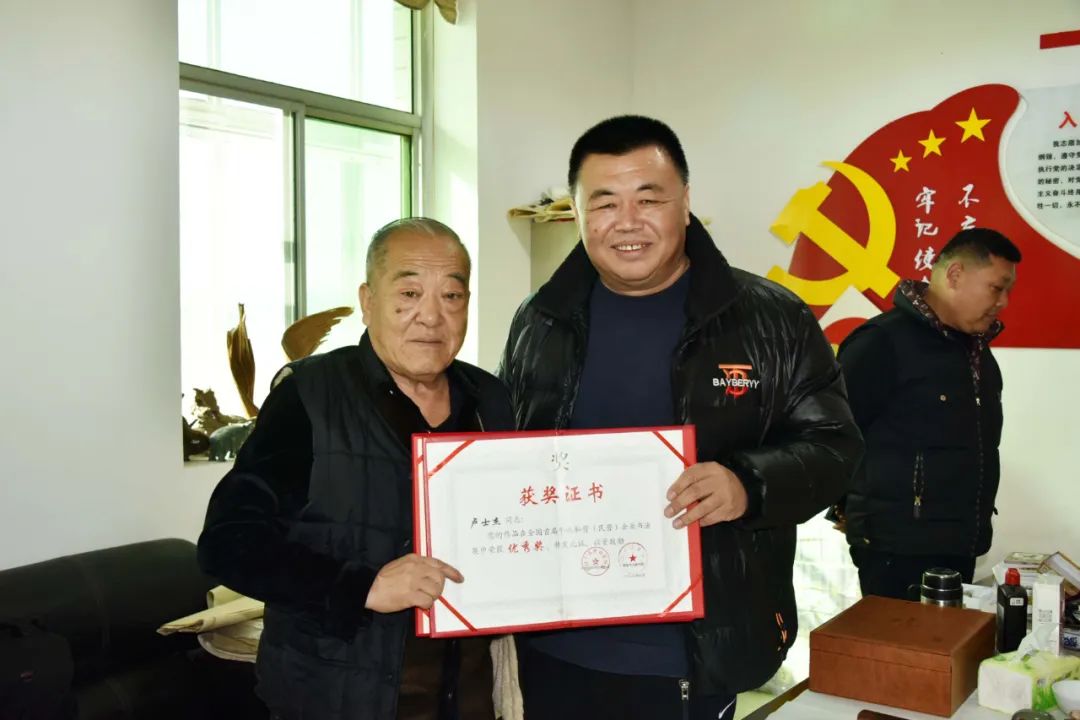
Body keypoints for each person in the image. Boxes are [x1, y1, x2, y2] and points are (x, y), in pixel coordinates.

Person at [498, 115, 863, 720]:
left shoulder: (770, 318)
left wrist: (747, 484)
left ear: (686, 203)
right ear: (578, 212)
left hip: (692, 653)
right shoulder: (540, 320)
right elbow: (507, 453)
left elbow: (835, 447)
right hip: (553, 646)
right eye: (604, 203)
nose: (628, 221)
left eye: (649, 199)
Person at [197, 218, 514, 720]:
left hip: (465, 695)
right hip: (336, 697)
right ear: (367, 301)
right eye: (409, 293)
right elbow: (228, 542)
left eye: (451, 296)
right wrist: (361, 587)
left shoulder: (489, 400)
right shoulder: (310, 394)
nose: (431, 316)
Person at [837, 227, 1021, 600]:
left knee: (952, 639)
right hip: (897, 547)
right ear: (955, 274)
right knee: (898, 640)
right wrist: (846, 509)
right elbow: (834, 434)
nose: (1003, 302)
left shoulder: (975, 352)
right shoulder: (881, 343)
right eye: (996, 288)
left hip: (961, 542)